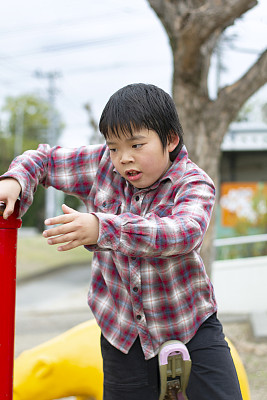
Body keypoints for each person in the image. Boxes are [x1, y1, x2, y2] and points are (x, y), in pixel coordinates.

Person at [0, 83, 242, 400]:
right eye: (114, 147)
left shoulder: (193, 182)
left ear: (170, 139)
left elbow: (183, 231)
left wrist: (103, 227)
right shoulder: (101, 166)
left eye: (136, 145)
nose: (124, 158)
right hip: (122, 332)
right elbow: (45, 159)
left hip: (189, 323)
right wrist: (15, 179)